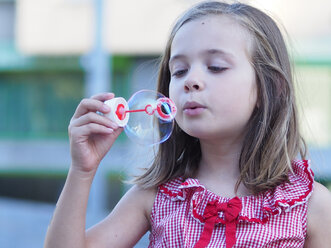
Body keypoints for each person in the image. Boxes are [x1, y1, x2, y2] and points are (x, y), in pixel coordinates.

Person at [44, 1, 331, 247]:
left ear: (271, 88)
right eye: (179, 71)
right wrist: (83, 170)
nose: (190, 81)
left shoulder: (311, 206)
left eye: (216, 66)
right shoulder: (157, 195)